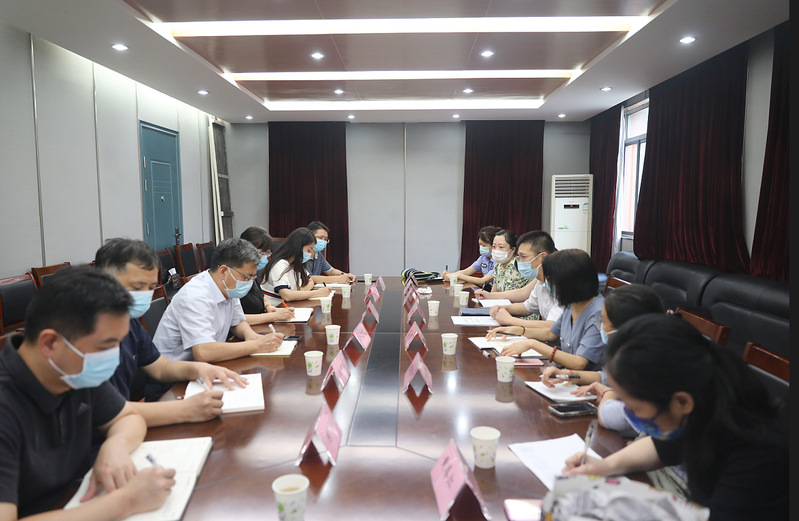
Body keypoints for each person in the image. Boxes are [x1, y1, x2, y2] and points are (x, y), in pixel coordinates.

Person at [563, 314, 788, 520]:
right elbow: (662, 446)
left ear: (681, 402)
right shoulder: (702, 400)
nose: (629, 414)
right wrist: (605, 466)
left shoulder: (760, 455)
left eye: (633, 408)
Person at [0, 266, 176, 520]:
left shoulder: (72, 371)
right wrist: (126, 501)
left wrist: (115, 445)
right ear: (50, 343)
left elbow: (128, 417)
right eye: (106, 346)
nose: (115, 357)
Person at [93, 238, 247, 425]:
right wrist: (184, 410)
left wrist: (198, 369)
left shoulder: (128, 321)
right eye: (137, 287)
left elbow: (160, 367)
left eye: (151, 288)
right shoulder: (85, 333)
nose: (145, 295)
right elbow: (106, 412)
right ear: (104, 281)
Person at [542, 284, 666, 436]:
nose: (600, 327)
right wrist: (567, 375)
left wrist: (607, 393)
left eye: (604, 322)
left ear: (626, 329)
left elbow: (609, 416)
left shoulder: (646, 364)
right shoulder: (650, 347)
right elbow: (606, 376)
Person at [153, 237, 284, 363]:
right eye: (246, 277)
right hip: (173, 373)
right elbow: (204, 352)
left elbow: (237, 322)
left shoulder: (228, 287)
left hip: (205, 366)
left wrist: (251, 336)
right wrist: (256, 345)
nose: (248, 283)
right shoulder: (196, 296)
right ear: (223, 272)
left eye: (252, 278)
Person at [490, 249, 605, 371]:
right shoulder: (572, 304)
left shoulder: (599, 314)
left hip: (586, 379)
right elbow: (551, 333)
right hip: (567, 374)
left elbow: (579, 363)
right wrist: (517, 330)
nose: (548, 283)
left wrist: (532, 343)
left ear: (570, 282)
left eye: (552, 279)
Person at [486, 231, 562, 327]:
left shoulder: (561, 282)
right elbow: (527, 308)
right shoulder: (540, 281)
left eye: (523, 257)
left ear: (542, 257)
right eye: (519, 257)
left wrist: (509, 320)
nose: (520, 262)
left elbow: (552, 326)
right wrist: (501, 308)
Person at [238, 226, 295, 324]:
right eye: (261, 253)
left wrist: (269, 306)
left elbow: (260, 295)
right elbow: (234, 318)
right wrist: (272, 316)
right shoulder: (234, 276)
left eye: (267, 253)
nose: (264, 257)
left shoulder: (251, 273)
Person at [262, 227, 331, 306]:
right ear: (298, 246)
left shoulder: (296, 264)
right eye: (308, 250)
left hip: (291, 306)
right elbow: (287, 296)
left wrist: (301, 291)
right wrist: (317, 293)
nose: (310, 254)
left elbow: (310, 280)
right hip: (276, 308)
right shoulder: (280, 264)